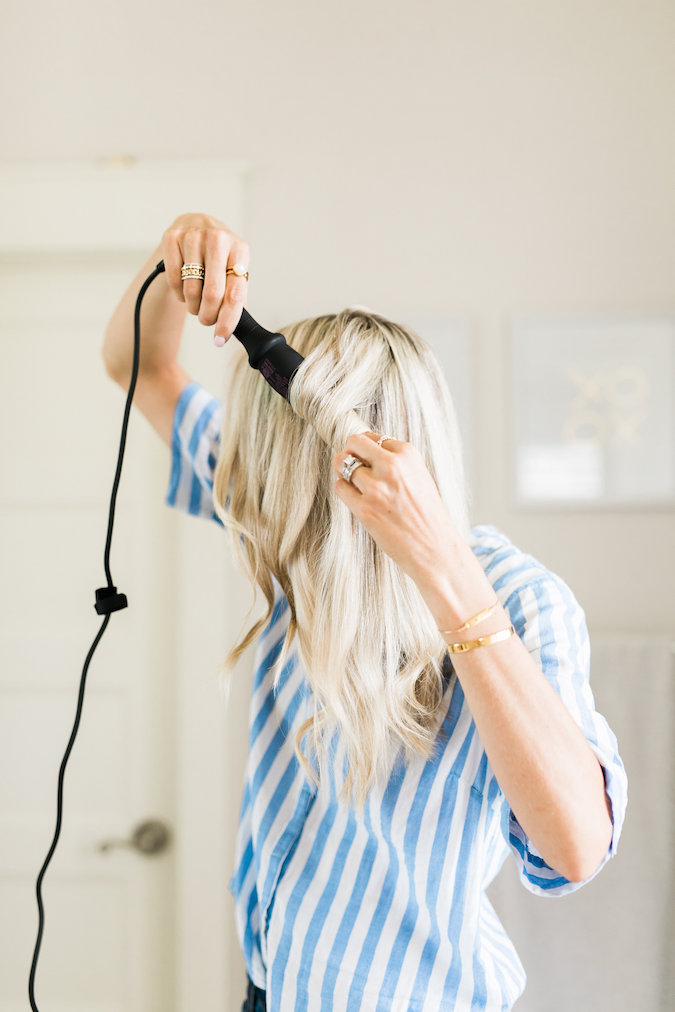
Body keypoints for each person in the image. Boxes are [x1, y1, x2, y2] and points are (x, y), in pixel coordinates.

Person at [103, 212, 627, 1012]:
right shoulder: (287, 529)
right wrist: (177, 263)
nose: (238, 463)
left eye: (255, 443)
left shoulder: (516, 599)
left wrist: (442, 570)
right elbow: (136, 363)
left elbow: (576, 847)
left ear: (294, 457)